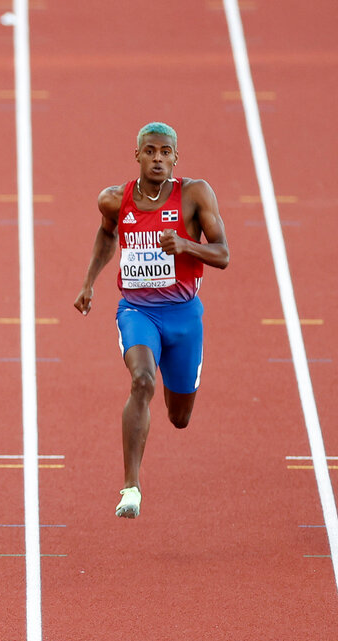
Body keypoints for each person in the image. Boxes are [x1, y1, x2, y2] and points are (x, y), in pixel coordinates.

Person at [74, 121, 229, 518]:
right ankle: (131, 487)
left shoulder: (194, 195)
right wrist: (89, 281)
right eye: (150, 151)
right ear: (137, 155)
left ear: (176, 157)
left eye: (165, 152)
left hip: (184, 317)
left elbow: (223, 254)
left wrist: (185, 245)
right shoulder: (114, 199)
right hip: (137, 312)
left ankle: (172, 406)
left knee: (179, 417)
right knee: (142, 381)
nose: (158, 158)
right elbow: (107, 235)